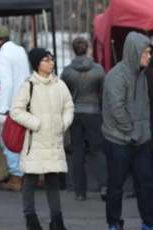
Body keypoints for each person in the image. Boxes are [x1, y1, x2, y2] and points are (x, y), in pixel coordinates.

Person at [10, 48, 74, 230]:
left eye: (51, 59)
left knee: (52, 181)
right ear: (37, 63)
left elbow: (69, 106)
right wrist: (35, 123)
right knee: (29, 181)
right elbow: (16, 111)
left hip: (54, 141)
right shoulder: (29, 85)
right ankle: (31, 218)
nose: (50, 63)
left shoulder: (59, 84)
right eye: (46, 60)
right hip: (35, 142)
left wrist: (64, 123)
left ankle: (57, 220)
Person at [102, 31, 153, 230]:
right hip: (118, 141)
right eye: (147, 52)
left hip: (142, 141)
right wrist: (132, 132)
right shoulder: (116, 76)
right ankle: (114, 223)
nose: (149, 56)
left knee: (146, 185)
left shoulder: (141, 75)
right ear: (135, 52)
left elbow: (145, 105)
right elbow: (117, 109)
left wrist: (144, 132)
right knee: (116, 187)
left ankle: (148, 222)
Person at [61, 36, 107, 201]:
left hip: (75, 113)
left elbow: (63, 95)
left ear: (73, 49)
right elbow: (103, 93)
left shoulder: (67, 71)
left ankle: (80, 192)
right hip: (93, 112)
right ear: (88, 48)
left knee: (77, 151)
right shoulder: (98, 70)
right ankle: (104, 186)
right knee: (98, 150)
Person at [0, 25, 30, 191]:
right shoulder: (21, 50)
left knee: (9, 141)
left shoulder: (3, 55)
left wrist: (2, 110)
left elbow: (6, 83)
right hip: (25, 102)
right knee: (22, 140)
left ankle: (16, 178)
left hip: (11, 106)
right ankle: (24, 176)